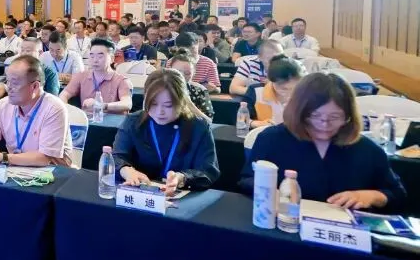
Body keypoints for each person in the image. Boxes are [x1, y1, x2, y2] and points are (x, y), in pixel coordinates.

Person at [240, 73, 406, 210]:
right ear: (298, 112)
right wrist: (270, 192)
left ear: (349, 117)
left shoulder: (366, 150)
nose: (324, 124)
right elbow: (247, 180)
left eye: (335, 117)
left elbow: (397, 194)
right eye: (315, 116)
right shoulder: (272, 139)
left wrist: (373, 196)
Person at [112, 68, 219, 193]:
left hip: (180, 194)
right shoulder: (133, 121)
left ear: (182, 101)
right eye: (153, 104)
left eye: (168, 105)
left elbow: (208, 169)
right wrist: (126, 170)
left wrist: (183, 178)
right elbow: (117, 156)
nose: (160, 112)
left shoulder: (198, 127)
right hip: (140, 191)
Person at [0, 55, 72, 167]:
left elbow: (44, 158)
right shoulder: (3, 105)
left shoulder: (54, 108)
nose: (9, 88)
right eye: (7, 81)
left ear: (35, 86)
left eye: (14, 83)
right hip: (16, 168)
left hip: (52, 171)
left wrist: (2, 157)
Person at [59, 39, 133, 114]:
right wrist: (67, 111)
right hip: (87, 119)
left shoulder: (122, 80)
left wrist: (102, 106)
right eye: (92, 56)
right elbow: (64, 94)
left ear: (112, 59)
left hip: (111, 120)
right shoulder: (81, 76)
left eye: (100, 56)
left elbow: (127, 104)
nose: (95, 60)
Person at [246, 55, 303, 127]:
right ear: (272, 81)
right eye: (284, 89)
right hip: (264, 132)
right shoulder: (256, 91)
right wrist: (256, 123)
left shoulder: (305, 93)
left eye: (294, 88)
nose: (289, 93)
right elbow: (240, 118)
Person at [165, 50, 214, 119]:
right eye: (177, 72)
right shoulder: (159, 88)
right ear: (169, 70)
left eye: (187, 73)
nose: (182, 76)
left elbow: (208, 120)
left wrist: (188, 102)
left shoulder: (200, 90)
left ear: (193, 73)